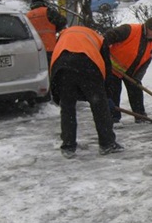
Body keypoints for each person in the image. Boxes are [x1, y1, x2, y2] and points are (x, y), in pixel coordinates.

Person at [50, 25, 124, 159]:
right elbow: (107, 66)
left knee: (67, 108)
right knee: (99, 106)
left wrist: (57, 93)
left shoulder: (63, 35)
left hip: (62, 69)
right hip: (87, 66)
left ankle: (68, 145)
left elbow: (55, 56)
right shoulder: (98, 38)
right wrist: (106, 94)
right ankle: (107, 143)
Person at [104, 17, 152, 123]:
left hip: (131, 72)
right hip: (112, 69)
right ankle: (113, 118)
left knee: (136, 91)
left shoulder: (151, 44)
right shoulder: (129, 30)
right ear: (148, 27)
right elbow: (108, 37)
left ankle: (140, 116)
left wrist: (137, 77)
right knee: (114, 93)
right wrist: (104, 53)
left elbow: (145, 62)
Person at [26, 0, 67, 67]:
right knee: (51, 69)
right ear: (42, 2)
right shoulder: (48, 12)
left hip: (35, 49)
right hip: (50, 48)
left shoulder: (27, 16)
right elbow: (62, 21)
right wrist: (55, 29)